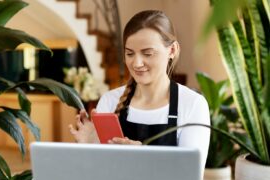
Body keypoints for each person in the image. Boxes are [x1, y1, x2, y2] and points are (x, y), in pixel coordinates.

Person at [69, 10, 210, 170]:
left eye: (147, 53)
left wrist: (143, 157)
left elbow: (190, 176)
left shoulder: (192, 104)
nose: (136, 63)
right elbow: (99, 173)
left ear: (172, 50)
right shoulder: (110, 101)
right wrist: (90, 146)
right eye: (129, 53)